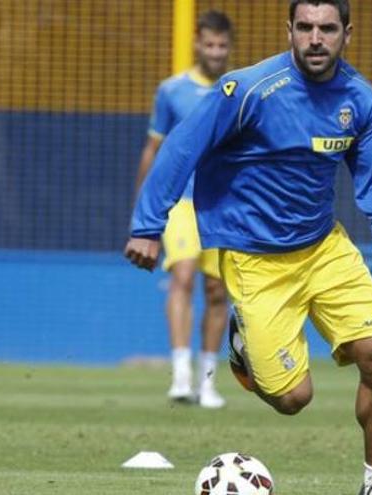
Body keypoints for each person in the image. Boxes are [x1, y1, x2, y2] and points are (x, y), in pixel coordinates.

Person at [125, 1, 372, 493]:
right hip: (257, 261)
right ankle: (242, 348)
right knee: (294, 398)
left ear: (347, 33)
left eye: (327, 28)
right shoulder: (248, 89)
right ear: (290, 31)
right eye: (305, 27)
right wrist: (148, 226)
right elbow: (181, 147)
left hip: (325, 249)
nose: (315, 38)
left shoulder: (359, 99)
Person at [134, 11, 234, 409]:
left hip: (224, 203)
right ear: (196, 43)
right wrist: (143, 214)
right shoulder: (172, 91)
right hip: (182, 200)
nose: (215, 52)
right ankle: (180, 375)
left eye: (222, 45)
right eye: (208, 44)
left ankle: (208, 382)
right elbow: (153, 149)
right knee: (184, 276)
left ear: (230, 47)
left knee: (216, 290)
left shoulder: (238, 90)